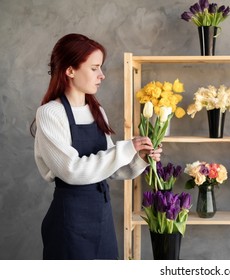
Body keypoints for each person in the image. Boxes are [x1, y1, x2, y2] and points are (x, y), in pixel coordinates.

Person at [31, 33, 161, 260]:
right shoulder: (50, 113)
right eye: (94, 68)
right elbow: (72, 171)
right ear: (70, 71)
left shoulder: (97, 111)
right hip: (70, 220)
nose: (102, 75)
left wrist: (138, 157)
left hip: (102, 215)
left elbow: (110, 168)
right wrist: (126, 149)